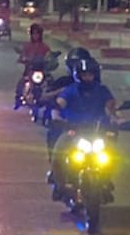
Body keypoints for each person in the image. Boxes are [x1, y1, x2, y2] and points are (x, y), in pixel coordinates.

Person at [47, 57, 119, 199]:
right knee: (57, 157)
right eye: (84, 75)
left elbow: (112, 107)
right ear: (77, 75)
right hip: (73, 131)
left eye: (90, 74)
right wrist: (56, 117)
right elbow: (59, 104)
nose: (87, 77)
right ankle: (60, 186)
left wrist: (118, 119)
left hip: (97, 131)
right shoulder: (70, 90)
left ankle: (106, 180)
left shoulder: (102, 90)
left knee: (112, 156)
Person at [15, 24, 53, 108]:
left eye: (37, 34)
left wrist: (50, 60)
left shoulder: (45, 47)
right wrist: (23, 60)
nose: (35, 36)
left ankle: (51, 99)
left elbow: (49, 56)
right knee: (21, 82)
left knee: (51, 81)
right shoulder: (27, 46)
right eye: (34, 34)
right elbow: (22, 56)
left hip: (42, 70)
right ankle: (18, 99)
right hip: (30, 69)